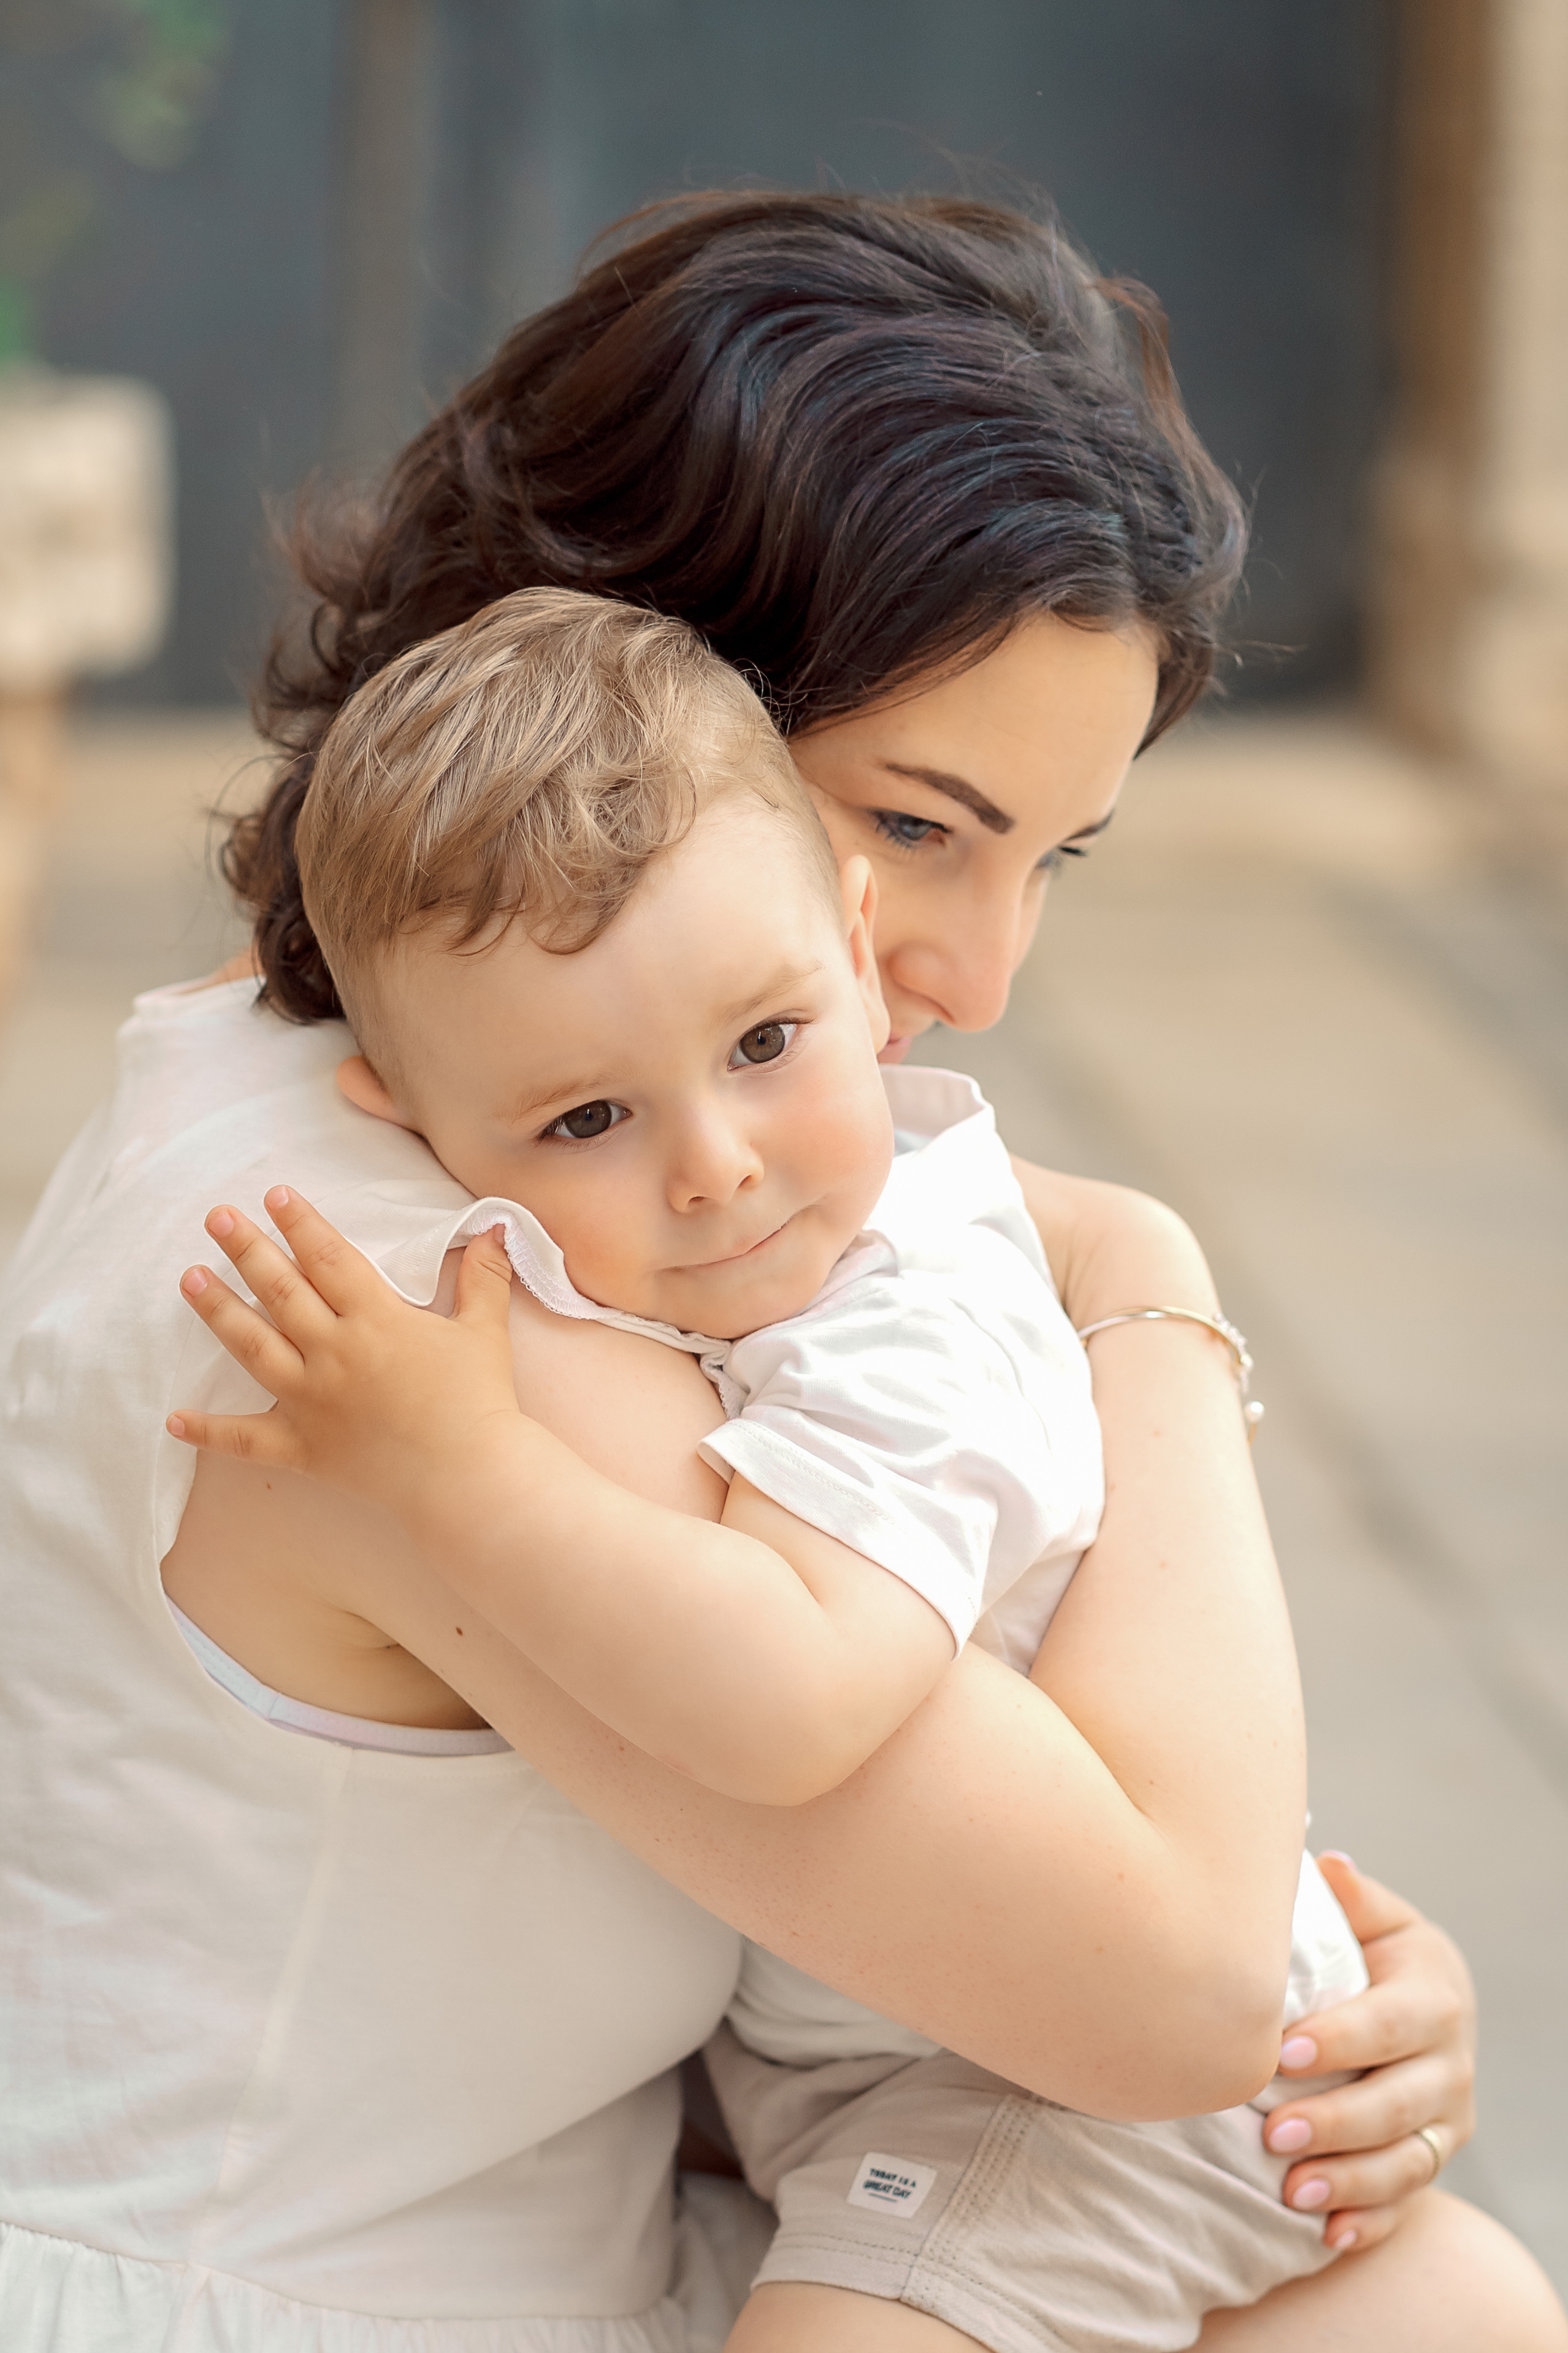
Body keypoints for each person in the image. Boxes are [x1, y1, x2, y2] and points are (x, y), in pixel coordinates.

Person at [0, 190, 1553, 2350]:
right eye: (918, 826)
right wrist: (1140, 1271)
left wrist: (1340, 1983)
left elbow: (789, 1955)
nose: (984, 979)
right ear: (614, 691)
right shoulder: (411, 1309)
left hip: (545, 2233)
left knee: (1430, 2288)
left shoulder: (391, 1095)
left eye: (1048, 853)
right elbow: (1173, 1989)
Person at [167, 580, 1384, 2353]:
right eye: (588, 1117)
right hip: (897, 2055)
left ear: (850, 930)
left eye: (765, 1043)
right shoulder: (754, 1250)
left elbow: (795, 1697)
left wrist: (456, 1472)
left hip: (1060, 2101)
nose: (718, 1166)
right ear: (406, 1133)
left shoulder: (915, 1304)